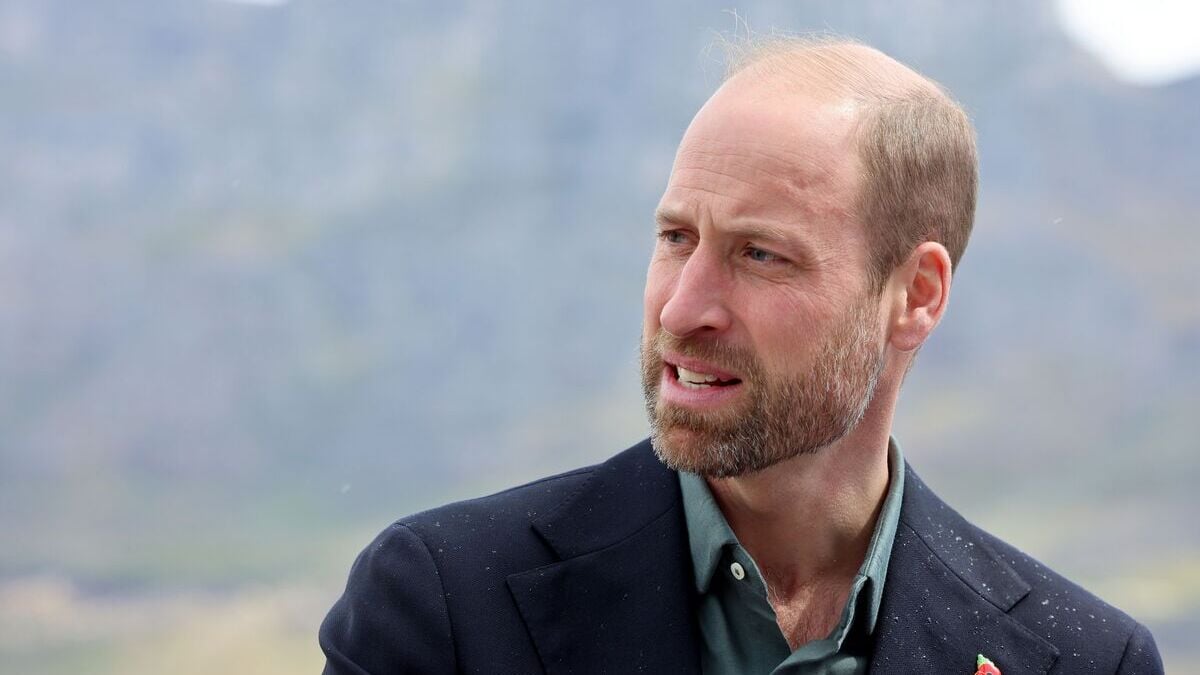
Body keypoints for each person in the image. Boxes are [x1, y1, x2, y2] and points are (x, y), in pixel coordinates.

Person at [320, 38, 1163, 674]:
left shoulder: (1086, 658)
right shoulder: (444, 605)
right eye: (676, 237)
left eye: (761, 254)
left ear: (916, 295)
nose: (683, 308)